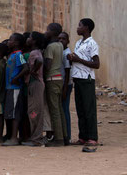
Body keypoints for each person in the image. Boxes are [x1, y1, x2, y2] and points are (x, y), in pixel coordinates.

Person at [68, 18, 100, 146]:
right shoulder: (79, 43)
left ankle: (92, 137)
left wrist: (79, 60)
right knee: (80, 109)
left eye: (80, 25)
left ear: (86, 28)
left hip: (87, 79)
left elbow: (96, 64)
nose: (77, 28)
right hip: (78, 79)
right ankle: (83, 136)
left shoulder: (92, 44)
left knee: (89, 109)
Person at [2, 33, 29, 146]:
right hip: (10, 88)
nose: (8, 42)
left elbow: (26, 67)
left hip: (15, 88)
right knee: (10, 112)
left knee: (14, 113)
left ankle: (14, 138)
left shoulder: (19, 55)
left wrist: (16, 78)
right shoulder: (12, 55)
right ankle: (11, 136)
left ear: (16, 43)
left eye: (11, 40)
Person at [43, 23, 67, 146]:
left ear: (52, 32)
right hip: (59, 78)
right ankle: (64, 135)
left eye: (47, 30)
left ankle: (58, 139)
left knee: (54, 110)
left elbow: (48, 65)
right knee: (59, 108)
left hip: (51, 79)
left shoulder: (50, 47)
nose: (45, 32)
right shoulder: (60, 45)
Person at [22, 31, 46, 147]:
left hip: (36, 84)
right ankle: (35, 137)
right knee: (33, 110)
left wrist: (33, 71)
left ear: (34, 41)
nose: (27, 39)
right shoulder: (36, 52)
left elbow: (40, 61)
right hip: (35, 84)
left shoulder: (33, 53)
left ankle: (37, 138)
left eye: (30, 38)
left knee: (34, 111)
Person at [59, 32, 73, 141]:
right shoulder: (60, 52)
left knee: (64, 110)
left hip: (66, 85)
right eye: (59, 39)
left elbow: (68, 72)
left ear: (68, 41)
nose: (61, 41)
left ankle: (67, 136)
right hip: (61, 84)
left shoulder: (66, 53)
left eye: (63, 39)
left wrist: (64, 88)